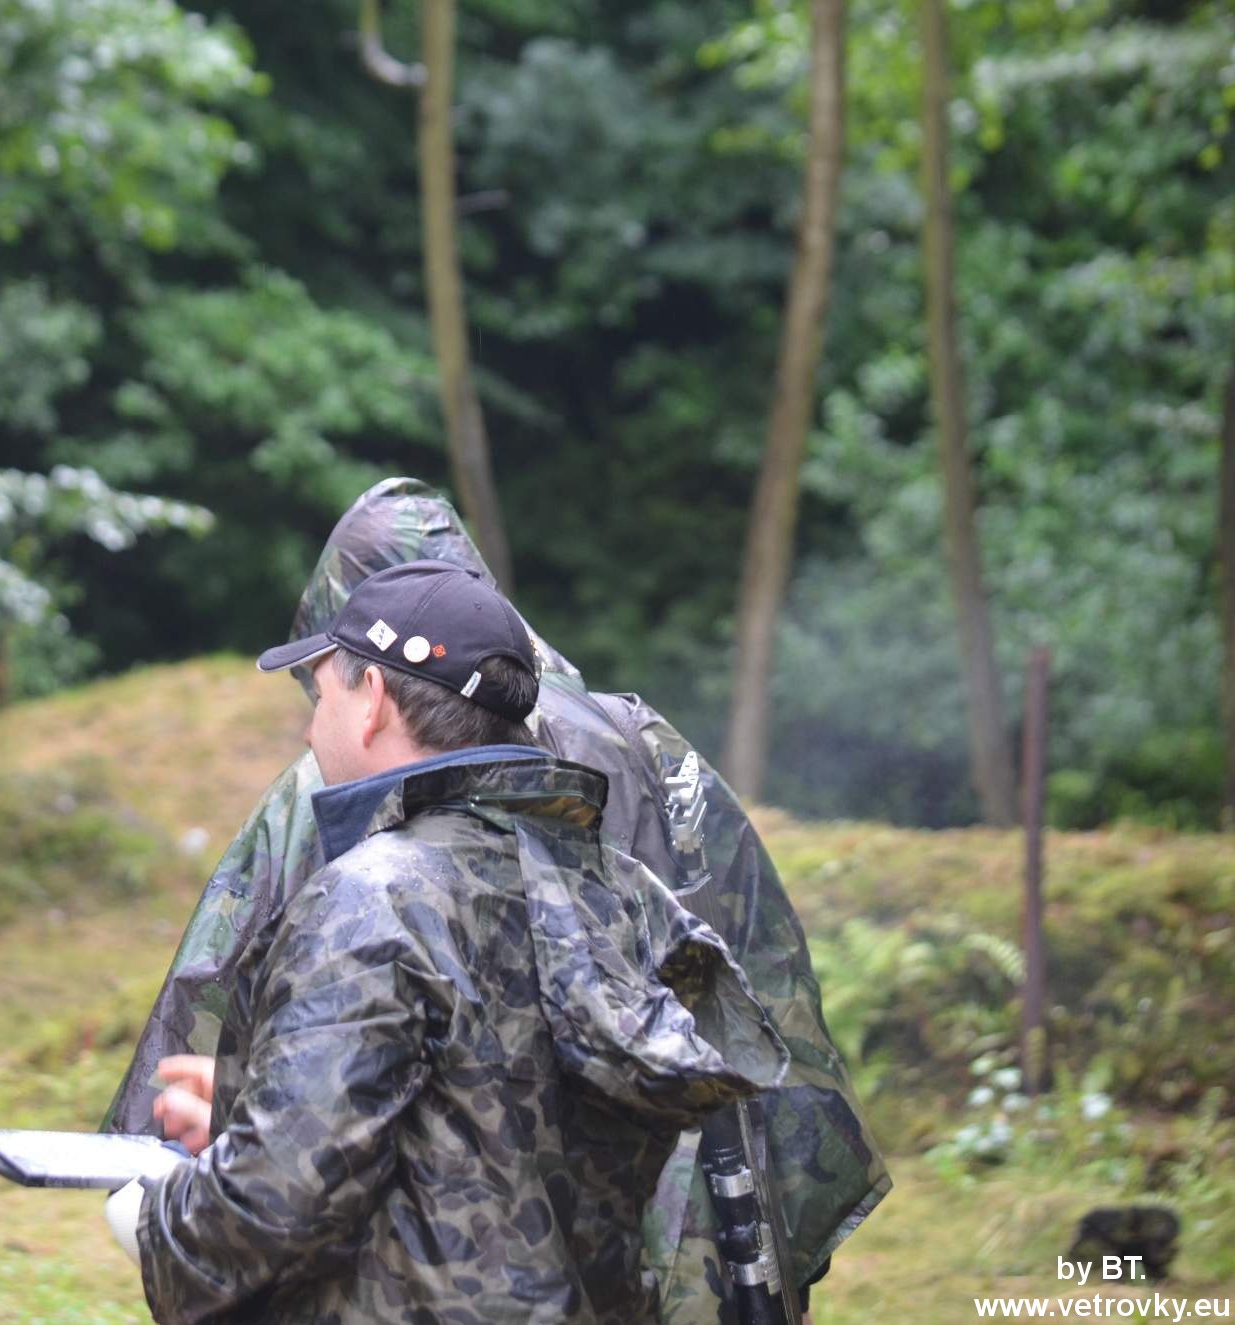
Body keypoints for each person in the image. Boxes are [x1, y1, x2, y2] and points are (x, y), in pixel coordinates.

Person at [103, 478, 889, 1323]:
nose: (308, 723)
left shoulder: (364, 875)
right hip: (672, 1240)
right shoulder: (622, 822)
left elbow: (279, 1170)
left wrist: (163, 1200)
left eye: (324, 686)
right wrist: (788, 1200)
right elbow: (762, 976)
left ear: (372, 696)